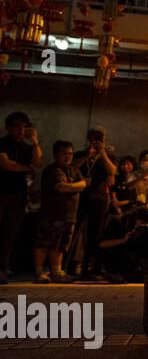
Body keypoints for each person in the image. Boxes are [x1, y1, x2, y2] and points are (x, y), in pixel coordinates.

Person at [33, 140, 85, 283]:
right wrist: (75, 186)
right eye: (63, 154)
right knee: (44, 243)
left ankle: (56, 272)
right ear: (55, 155)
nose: (68, 157)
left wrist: (73, 186)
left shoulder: (73, 169)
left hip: (69, 215)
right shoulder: (51, 170)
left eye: (70, 154)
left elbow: (84, 183)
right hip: (52, 214)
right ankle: (39, 273)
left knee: (61, 244)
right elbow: (61, 187)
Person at [0, 111, 42, 284]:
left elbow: (38, 163)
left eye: (24, 126)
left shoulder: (27, 147)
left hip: (19, 195)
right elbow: (5, 164)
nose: (21, 129)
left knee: (11, 232)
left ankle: (4, 267)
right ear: (8, 127)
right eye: (17, 126)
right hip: (1, 192)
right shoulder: (2, 144)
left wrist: (35, 143)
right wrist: (27, 169)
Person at [70, 127, 117, 280]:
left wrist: (102, 153)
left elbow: (112, 171)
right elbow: (71, 168)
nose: (99, 139)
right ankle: (67, 266)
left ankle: (90, 268)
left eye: (102, 136)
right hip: (79, 196)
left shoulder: (108, 156)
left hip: (99, 199)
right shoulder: (79, 154)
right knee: (73, 231)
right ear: (89, 137)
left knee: (95, 235)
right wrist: (88, 156)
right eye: (96, 136)